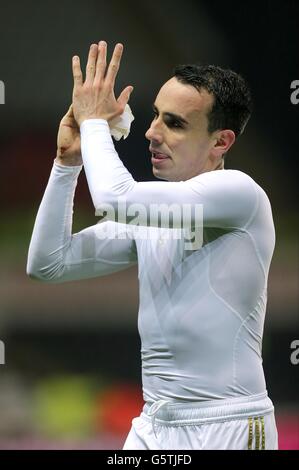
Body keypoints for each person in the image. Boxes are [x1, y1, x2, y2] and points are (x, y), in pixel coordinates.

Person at [27, 41, 278, 450]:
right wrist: (66, 165)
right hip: (154, 424)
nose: (151, 132)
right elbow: (49, 263)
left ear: (222, 142)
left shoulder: (240, 194)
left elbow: (115, 198)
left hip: (229, 424)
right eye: (155, 115)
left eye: (175, 123)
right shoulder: (155, 215)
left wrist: (93, 124)